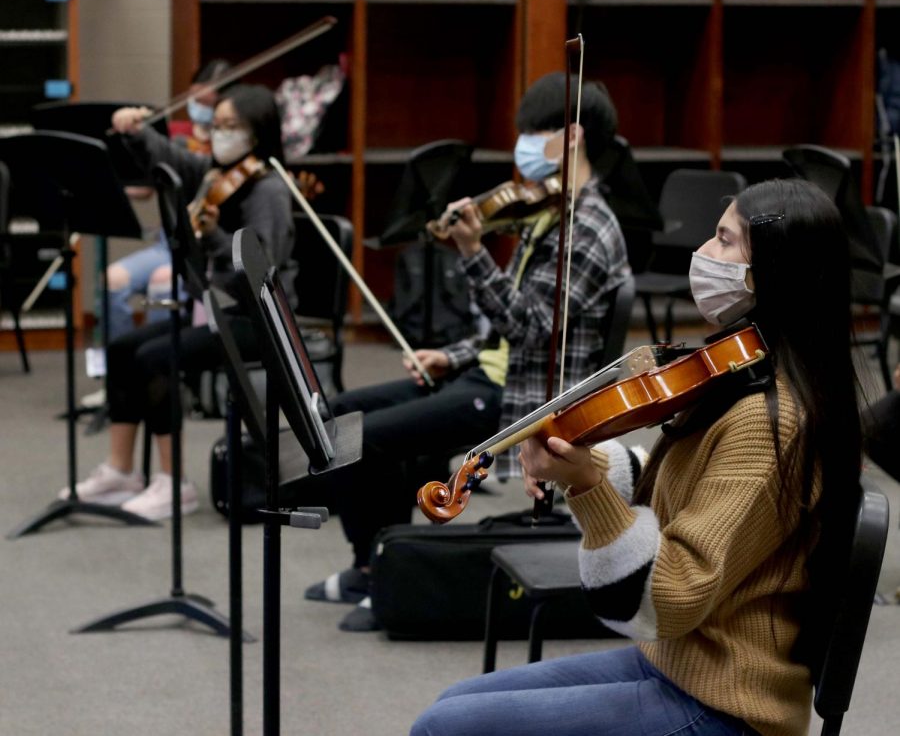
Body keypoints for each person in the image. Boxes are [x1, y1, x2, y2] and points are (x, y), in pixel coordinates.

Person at [410, 177, 863, 736]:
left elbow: (667, 598)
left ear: (770, 269)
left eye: (723, 240)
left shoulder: (770, 421)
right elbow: (685, 493)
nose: (702, 253)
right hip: (679, 662)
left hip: (727, 704)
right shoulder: (745, 376)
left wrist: (587, 489)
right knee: (455, 702)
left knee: (445, 728)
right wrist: (590, 464)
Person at [304, 72, 631, 632]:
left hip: (520, 397)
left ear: (570, 137)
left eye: (533, 132)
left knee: (370, 439)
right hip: (488, 374)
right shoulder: (547, 212)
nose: (522, 145)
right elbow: (504, 328)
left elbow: (527, 328)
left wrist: (474, 250)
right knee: (338, 415)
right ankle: (370, 565)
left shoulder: (589, 229)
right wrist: (449, 357)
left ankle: (385, 572)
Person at [60, 83, 295, 521]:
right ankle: (121, 470)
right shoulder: (212, 173)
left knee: (155, 358)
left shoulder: (269, 191)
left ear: (258, 134)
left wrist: (216, 236)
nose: (221, 135)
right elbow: (172, 158)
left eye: (232, 127)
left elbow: (266, 265)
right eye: (218, 125)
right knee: (122, 349)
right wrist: (136, 131)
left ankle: (174, 484)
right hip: (215, 308)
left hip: (259, 319)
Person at [102, 59, 232, 343]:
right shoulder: (177, 135)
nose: (198, 108)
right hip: (167, 241)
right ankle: (117, 372)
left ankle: (162, 378)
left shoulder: (224, 152)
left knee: (163, 281)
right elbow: (149, 183)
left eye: (207, 103)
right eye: (194, 98)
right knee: (111, 279)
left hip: (200, 248)